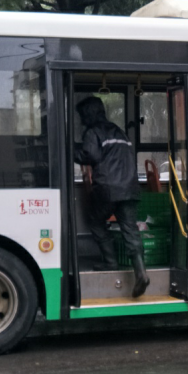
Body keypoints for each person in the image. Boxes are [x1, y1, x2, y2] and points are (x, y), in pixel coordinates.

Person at [74, 95, 149, 298]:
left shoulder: (93, 132)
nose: (81, 120)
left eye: (82, 116)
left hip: (108, 189)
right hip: (130, 188)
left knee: (95, 221)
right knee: (130, 230)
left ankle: (110, 262)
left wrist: (70, 151)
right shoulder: (119, 131)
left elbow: (91, 156)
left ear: (88, 114)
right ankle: (141, 272)